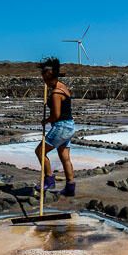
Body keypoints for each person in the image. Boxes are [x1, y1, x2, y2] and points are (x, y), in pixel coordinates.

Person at [35, 57, 76, 196]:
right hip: (70, 126)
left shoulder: (56, 93)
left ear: (50, 77)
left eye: (45, 79)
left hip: (61, 126)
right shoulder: (62, 87)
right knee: (65, 157)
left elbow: (56, 115)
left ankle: (49, 179)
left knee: (40, 152)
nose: (44, 82)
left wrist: (46, 121)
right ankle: (70, 187)